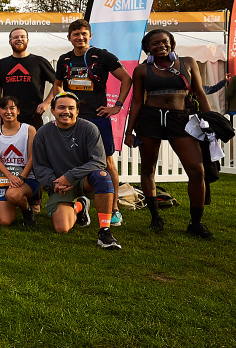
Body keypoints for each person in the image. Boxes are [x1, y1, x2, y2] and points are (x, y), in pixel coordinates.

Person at [124, 29, 213, 238]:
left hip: (180, 120)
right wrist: (129, 130)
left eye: (164, 41)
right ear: (148, 48)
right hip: (150, 120)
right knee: (147, 169)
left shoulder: (189, 62)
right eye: (154, 44)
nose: (160, 45)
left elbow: (199, 92)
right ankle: (155, 217)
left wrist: (210, 121)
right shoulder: (141, 70)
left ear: (172, 43)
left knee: (197, 170)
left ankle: (196, 222)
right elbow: (137, 101)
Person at [54, 19, 133, 226]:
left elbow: (127, 79)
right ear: (69, 37)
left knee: (106, 162)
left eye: (83, 33)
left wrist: (117, 106)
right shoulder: (64, 59)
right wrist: (61, 108)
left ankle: (113, 208)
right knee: (73, 160)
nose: (80, 37)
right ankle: (78, 203)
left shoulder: (103, 55)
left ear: (90, 35)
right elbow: (57, 86)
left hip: (98, 117)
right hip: (74, 119)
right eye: (75, 34)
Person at [34, 92, 122, 250]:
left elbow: (99, 161)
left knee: (103, 175)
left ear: (77, 111)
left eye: (71, 108)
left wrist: (70, 176)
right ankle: (81, 205)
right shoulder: (43, 133)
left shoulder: (89, 128)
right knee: (62, 228)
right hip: (59, 184)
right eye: (61, 107)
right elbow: (39, 166)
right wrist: (54, 182)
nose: (66, 111)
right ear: (52, 111)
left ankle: (105, 232)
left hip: (84, 180)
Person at [0, 96, 40, 227]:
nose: (8, 111)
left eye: (12, 108)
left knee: (12, 194)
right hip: (4, 179)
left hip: (27, 179)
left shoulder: (29, 130)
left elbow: (32, 157)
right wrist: (10, 177)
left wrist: (21, 178)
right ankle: (15, 203)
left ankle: (26, 211)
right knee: (4, 221)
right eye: (4, 108)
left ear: (18, 111)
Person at [0, 27, 57, 128]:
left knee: (34, 144)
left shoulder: (39, 62)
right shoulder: (2, 63)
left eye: (22, 37)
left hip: (33, 116)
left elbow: (57, 82)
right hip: (9, 116)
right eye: (15, 37)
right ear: (10, 42)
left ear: (27, 40)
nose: (19, 39)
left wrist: (46, 103)